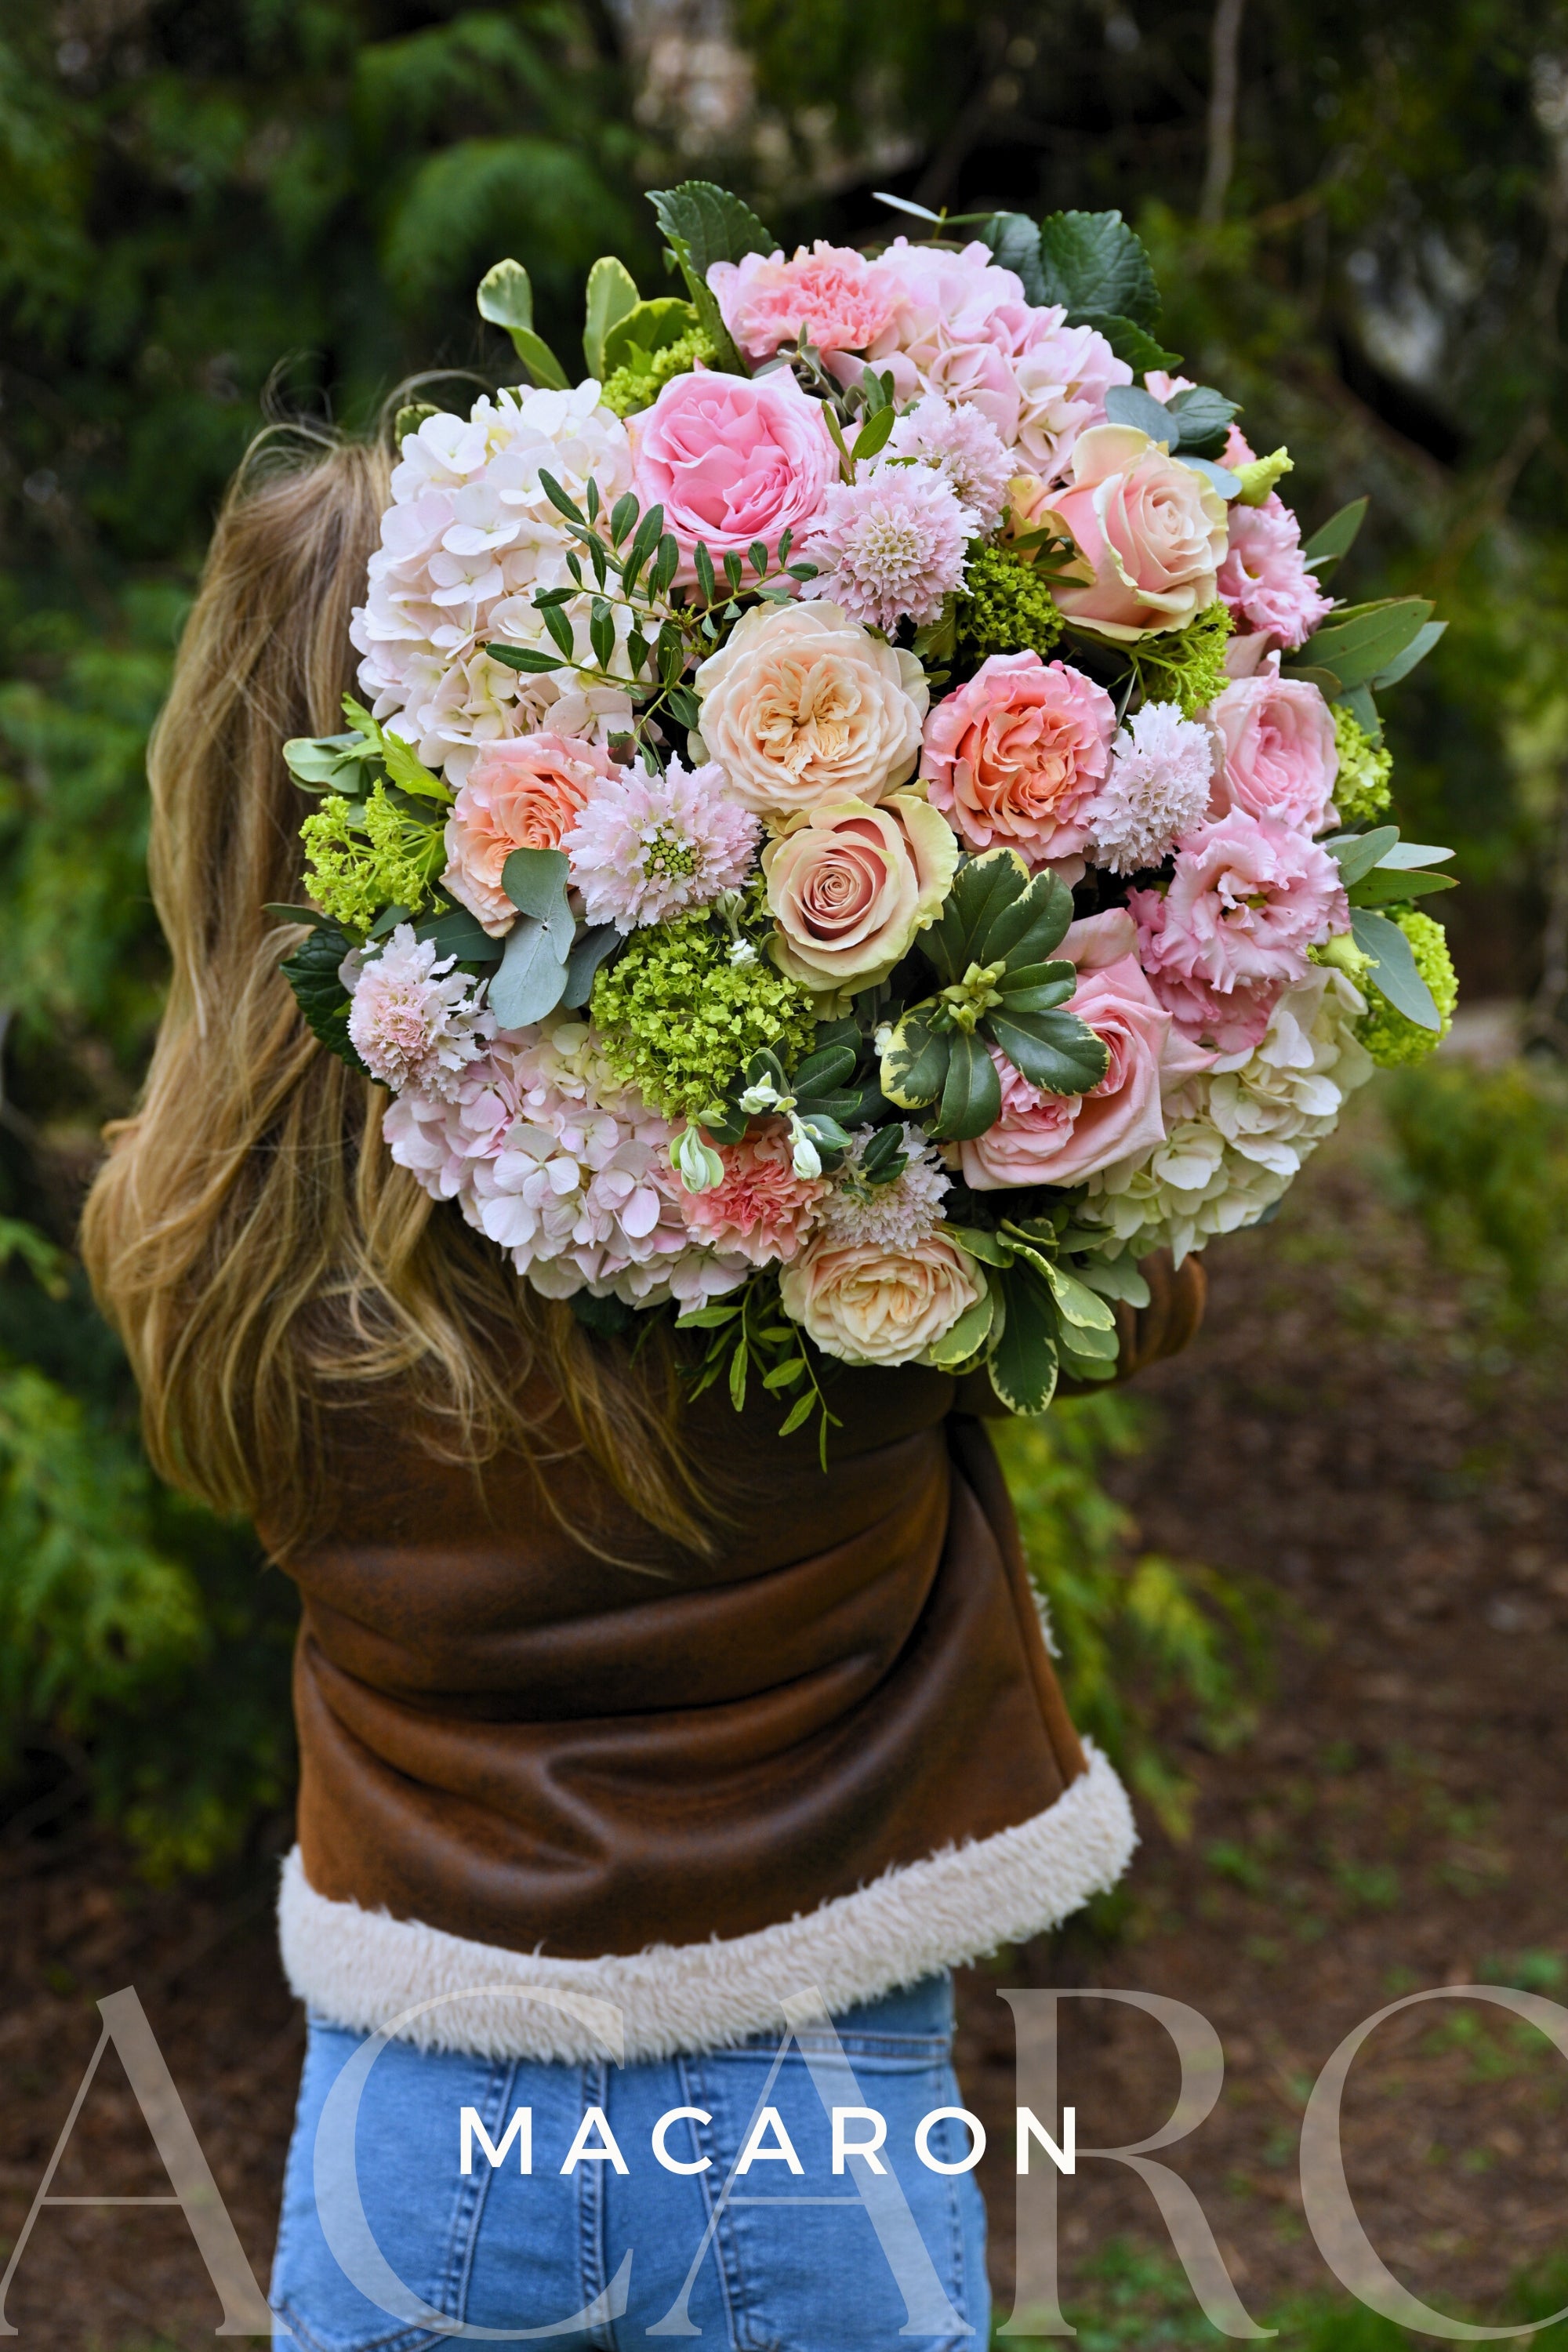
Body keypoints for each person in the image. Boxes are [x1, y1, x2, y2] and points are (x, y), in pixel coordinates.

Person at [82, 427, 1205, 2350]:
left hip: (412, 2117)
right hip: (800, 2094)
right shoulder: (783, 1187)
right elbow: (1134, 1303)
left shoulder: (197, 1235)